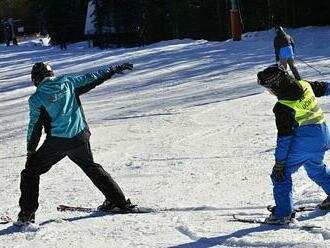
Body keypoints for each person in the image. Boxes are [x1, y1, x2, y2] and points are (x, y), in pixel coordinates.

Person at [17, 62, 134, 225]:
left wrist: (31, 151)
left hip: (57, 143)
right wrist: (112, 70)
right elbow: (91, 78)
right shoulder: (68, 82)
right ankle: (118, 201)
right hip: (80, 138)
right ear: (51, 74)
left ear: (35, 79)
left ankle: (26, 215)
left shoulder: (37, 98)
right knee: (91, 167)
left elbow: (35, 126)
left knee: (30, 172)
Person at [257, 64, 330, 224]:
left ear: (276, 86)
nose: (268, 92)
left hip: (305, 141)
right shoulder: (304, 84)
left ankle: (283, 213)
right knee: (315, 169)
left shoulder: (283, 106)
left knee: (280, 176)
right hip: (323, 136)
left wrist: (280, 162)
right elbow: (326, 88)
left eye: (268, 88)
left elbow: (284, 138)